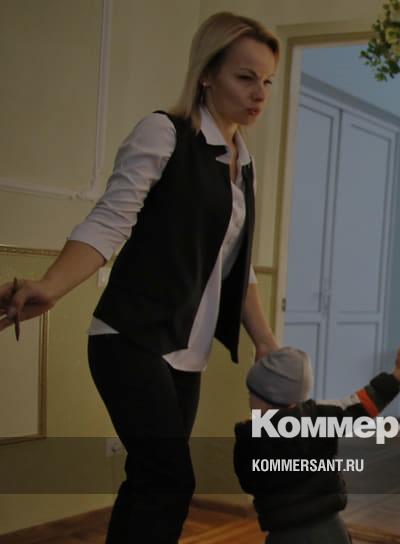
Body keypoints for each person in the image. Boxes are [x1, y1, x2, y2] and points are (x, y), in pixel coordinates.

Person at [0, 12, 281, 542]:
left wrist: (265, 341)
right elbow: (110, 221)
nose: (259, 93)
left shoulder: (243, 164)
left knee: (149, 480)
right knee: (170, 480)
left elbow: (236, 267)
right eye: (245, 77)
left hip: (188, 350)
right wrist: (51, 285)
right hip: (130, 338)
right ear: (207, 74)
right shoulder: (165, 132)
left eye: (267, 81)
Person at [233, 346, 400, 543]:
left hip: (286, 535)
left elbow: (248, 482)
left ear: (266, 400)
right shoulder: (320, 417)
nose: (249, 398)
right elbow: (364, 405)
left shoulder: (251, 437)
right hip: (331, 531)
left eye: (251, 393)